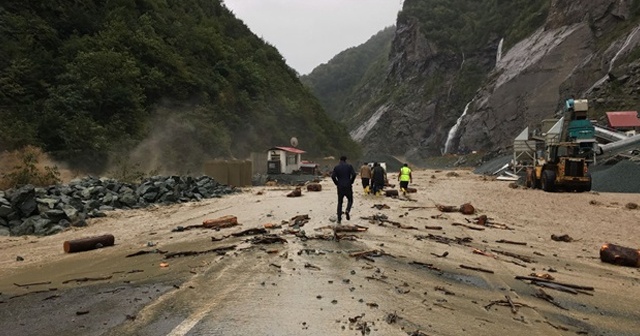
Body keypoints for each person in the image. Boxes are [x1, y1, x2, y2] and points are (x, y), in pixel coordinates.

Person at [331, 155, 356, 223]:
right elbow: (354, 174)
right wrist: (351, 181)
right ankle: (347, 210)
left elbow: (333, 176)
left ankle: (339, 219)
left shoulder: (336, 167)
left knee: (340, 202)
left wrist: (337, 183)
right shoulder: (349, 166)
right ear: (346, 160)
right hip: (348, 185)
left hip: (340, 186)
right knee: (350, 200)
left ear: (339, 160)